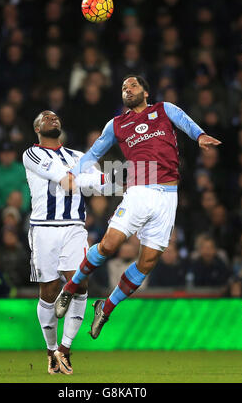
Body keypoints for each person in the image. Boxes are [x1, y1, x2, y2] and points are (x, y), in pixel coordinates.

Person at [54, 75, 221, 339]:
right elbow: (94, 153)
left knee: (147, 262)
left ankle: (105, 308)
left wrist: (199, 136)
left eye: (132, 85)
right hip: (139, 191)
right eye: (123, 87)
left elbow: (185, 122)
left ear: (145, 91)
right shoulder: (117, 124)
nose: (127, 90)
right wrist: (74, 173)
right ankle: (71, 287)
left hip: (168, 196)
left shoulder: (164, 110)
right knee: (109, 245)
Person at [22, 110, 114, 375]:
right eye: (45, 117)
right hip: (44, 229)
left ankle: (66, 348)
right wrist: (99, 179)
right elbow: (67, 180)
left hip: (74, 226)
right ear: (37, 128)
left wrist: (114, 180)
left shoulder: (77, 156)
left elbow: (102, 185)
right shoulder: (32, 154)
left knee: (80, 282)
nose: (53, 118)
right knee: (49, 291)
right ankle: (51, 351)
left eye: (55, 117)